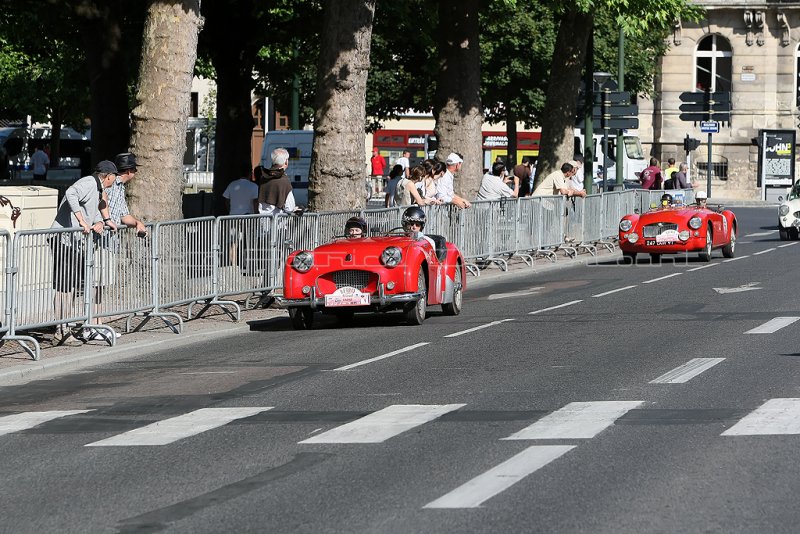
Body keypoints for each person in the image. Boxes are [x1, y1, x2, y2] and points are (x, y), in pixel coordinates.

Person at [50, 160, 119, 342]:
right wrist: (81, 221)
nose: (114, 181)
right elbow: (70, 193)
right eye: (114, 177)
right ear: (108, 176)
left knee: (70, 286)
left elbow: (94, 210)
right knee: (64, 286)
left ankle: (65, 327)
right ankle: (61, 331)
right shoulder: (89, 183)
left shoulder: (97, 189)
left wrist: (101, 222)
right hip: (64, 239)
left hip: (75, 242)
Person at [258, 147, 297, 215]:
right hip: (278, 223)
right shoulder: (284, 180)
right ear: (286, 162)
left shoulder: (263, 177)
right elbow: (289, 207)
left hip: (263, 221)